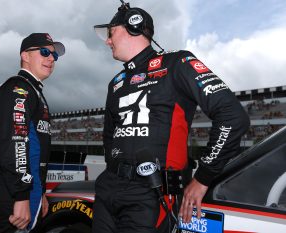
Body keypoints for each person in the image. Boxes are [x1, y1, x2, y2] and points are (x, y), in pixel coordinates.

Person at [92, 3, 250, 233]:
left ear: (133, 26)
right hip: (108, 189)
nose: (108, 41)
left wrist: (203, 177)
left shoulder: (177, 63)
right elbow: (109, 137)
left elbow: (233, 117)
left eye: (111, 32)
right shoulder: (115, 83)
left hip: (152, 195)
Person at [0, 33, 65, 233]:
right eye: (45, 52)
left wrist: (41, 191)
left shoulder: (33, 90)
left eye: (54, 56)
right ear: (25, 56)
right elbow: (16, 142)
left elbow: (36, 149)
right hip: (12, 190)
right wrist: (21, 196)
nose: (51, 59)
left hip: (25, 187)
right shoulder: (18, 87)